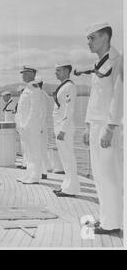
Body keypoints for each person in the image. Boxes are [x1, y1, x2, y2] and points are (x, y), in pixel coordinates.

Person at [81, 22, 123, 234]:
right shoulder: (99, 64)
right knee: (99, 175)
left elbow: (118, 96)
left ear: (105, 38)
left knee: (110, 174)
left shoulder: (117, 61)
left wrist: (110, 127)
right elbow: (94, 99)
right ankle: (108, 219)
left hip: (108, 127)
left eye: (93, 38)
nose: (89, 42)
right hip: (96, 125)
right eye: (88, 38)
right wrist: (88, 126)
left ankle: (114, 223)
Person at [51, 62, 80, 197]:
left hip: (65, 128)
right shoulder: (63, 86)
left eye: (58, 70)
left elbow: (70, 109)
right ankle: (66, 186)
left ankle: (71, 188)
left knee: (68, 158)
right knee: (64, 158)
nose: (55, 73)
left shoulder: (69, 87)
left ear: (66, 71)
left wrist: (62, 130)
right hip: (60, 127)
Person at [15, 66, 42, 184]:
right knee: (28, 152)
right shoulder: (28, 89)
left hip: (31, 127)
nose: (23, 75)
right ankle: (29, 174)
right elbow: (21, 110)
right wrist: (19, 124)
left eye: (25, 73)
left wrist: (27, 125)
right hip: (24, 127)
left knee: (34, 151)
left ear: (32, 74)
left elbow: (34, 110)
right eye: (23, 73)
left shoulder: (35, 89)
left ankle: (35, 176)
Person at [32, 76, 51, 179]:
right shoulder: (40, 94)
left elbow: (42, 112)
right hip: (39, 126)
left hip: (40, 127)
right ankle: (41, 171)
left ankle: (43, 172)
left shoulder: (41, 95)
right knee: (39, 149)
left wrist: (40, 127)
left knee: (41, 149)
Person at [15, 85, 26, 169]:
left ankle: (25, 164)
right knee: (23, 146)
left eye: (20, 92)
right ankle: (24, 163)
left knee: (26, 147)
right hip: (20, 127)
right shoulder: (21, 101)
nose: (19, 94)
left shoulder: (25, 100)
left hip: (24, 127)